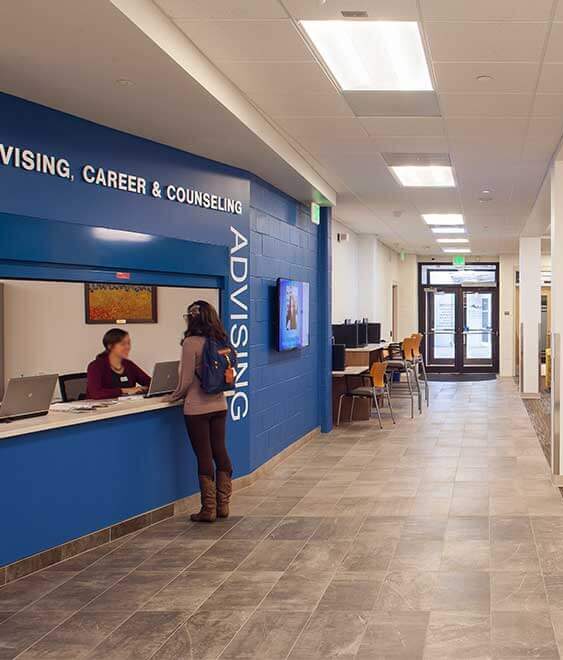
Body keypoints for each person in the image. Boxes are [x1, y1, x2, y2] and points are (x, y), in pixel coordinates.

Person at [167, 300, 233, 523]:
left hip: (196, 408)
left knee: (204, 455)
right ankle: (223, 505)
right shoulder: (221, 339)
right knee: (220, 451)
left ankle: (208, 509)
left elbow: (186, 381)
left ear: (192, 319)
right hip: (220, 405)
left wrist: (172, 396)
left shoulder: (190, 342)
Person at [86, 328, 151, 400]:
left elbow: (150, 382)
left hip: (127, 404)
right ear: (110, 346)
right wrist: (124, 390)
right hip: (102, 406)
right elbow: (95, 393)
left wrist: (145, 388)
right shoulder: (95, 366)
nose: (127, 347)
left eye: (128, 343)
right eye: (123, 344)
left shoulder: (128, 364)